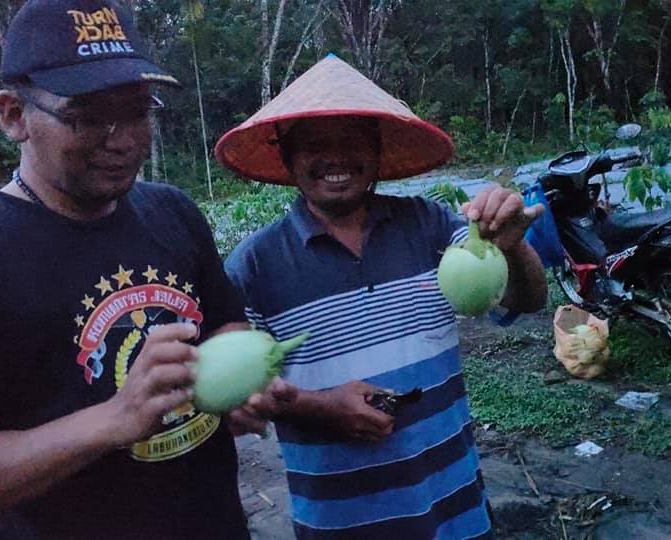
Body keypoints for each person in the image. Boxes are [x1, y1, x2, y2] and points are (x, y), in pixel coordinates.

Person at [0, 1, 292, 538]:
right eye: (87, 117)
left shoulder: (173, 214)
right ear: (13, 115)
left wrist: (243, 382)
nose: (123, 140)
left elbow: (224, 322)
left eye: (137, 111)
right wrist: (113, 420)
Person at [217, 55, 548, 539]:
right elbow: (238, 397)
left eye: (352, 140)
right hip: (341, 524)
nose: (335, 157)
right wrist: (318, 407)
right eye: (314, 144)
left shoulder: (432, 225)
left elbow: (526, 299)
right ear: (287, 157)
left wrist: (511, 246)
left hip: (456, 513)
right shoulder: (253, 267)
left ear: (376, 150)